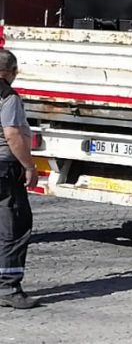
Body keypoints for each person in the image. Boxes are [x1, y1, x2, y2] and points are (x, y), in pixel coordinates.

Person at [0, 49, 39, 309]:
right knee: (14, 226)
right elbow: (13, 134)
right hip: (4, 167)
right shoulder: (8, 96)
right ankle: (8, 287)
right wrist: (29, 166)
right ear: (11, 72)